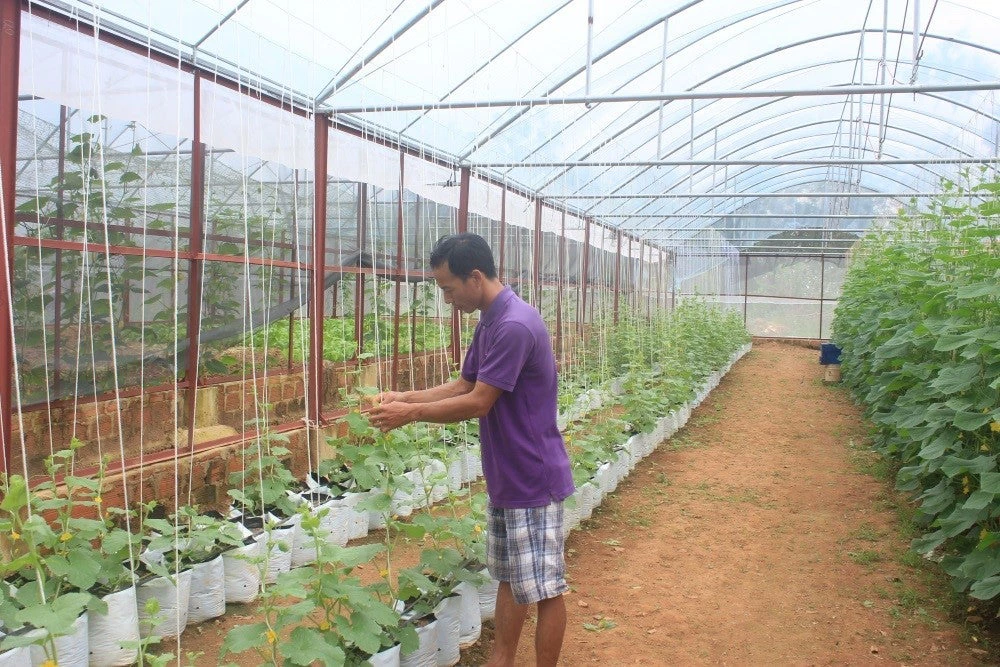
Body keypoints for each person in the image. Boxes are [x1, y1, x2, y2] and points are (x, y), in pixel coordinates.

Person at [369, 232, 574, 667]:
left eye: (448, 287)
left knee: (545, 587)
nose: (446, 299)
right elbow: (463, 384)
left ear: (475, 277)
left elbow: (479, 401)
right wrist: (405, 398)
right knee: (511, 577)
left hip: (532, 477)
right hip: (509, 476)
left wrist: (411, 416)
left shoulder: (514, 325)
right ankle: (501, 658)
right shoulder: (491, 321)